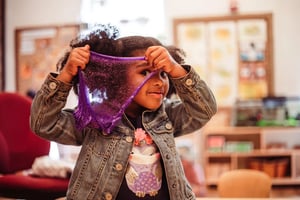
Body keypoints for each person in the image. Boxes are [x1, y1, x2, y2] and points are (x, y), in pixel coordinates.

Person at [30, 24, 217, 200]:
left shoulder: (167, 115)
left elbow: (204, 109)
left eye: (163, 73)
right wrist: (65, 76)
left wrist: (176, 70)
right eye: (145, 73)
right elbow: (44, 124)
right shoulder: (94, 119)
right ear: (116, 79)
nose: (160, 82)